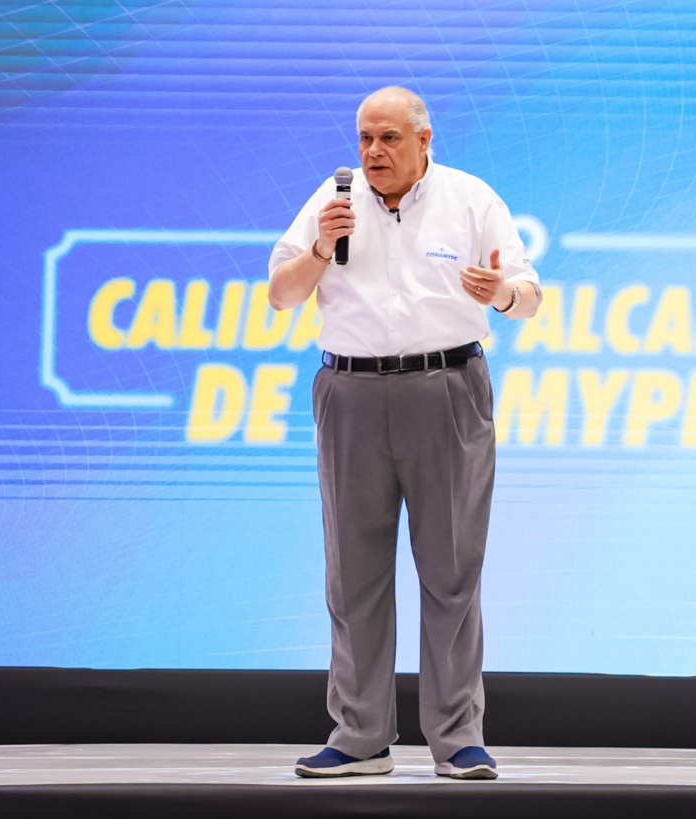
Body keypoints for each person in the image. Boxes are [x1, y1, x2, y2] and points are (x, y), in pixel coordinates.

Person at [267, 86, 541, 780]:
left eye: (388, 138)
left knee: (451, 569)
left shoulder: (471, 199)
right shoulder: (333, 201)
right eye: (364, 137)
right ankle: (360, 736)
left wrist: (501, 294)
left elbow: (529, 296)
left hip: (445, 389)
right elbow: (281, 293)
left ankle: (458, 738)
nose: (372, 152)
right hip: (350, 392)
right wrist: (321, 247)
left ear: (424, 140)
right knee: (352, 572)